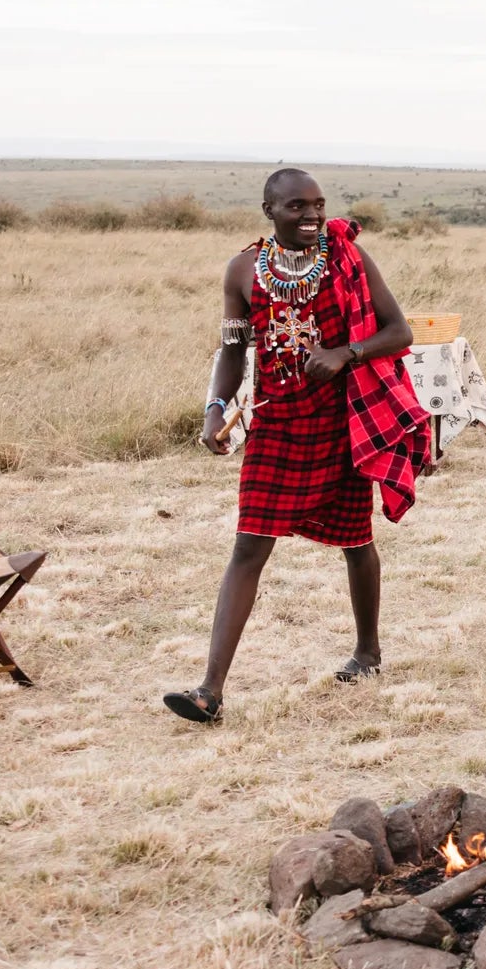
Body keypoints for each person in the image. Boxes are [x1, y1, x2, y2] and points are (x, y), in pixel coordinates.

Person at [164, 169, 430, 724]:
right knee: (248, 547)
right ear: (269, 210)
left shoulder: (348, 258)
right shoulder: (243, 269)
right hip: (277, 424)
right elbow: (233, 351)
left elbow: (399, 331)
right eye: (296, 208)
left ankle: (368, 651)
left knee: (356, 541)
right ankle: (209, 691)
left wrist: (346, 354)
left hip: (340, 422)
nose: (311, 217)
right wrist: (215, 409)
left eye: (318, 206)